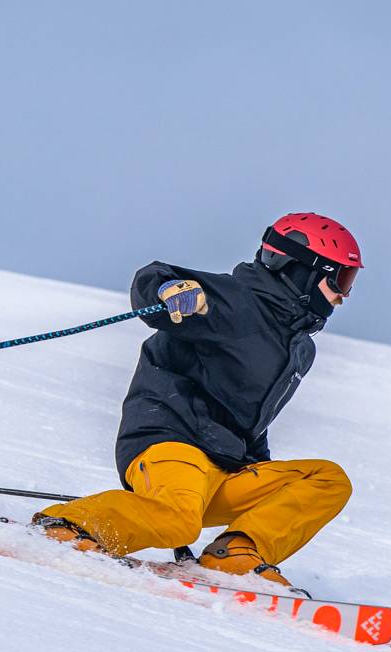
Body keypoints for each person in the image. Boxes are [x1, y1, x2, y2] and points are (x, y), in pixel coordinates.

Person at [31, 213, 363, 588]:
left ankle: (235, 554)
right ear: (301, 270)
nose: (343, 296)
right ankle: (65, 526)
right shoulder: (232, 301)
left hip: (224, 467)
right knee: (178, 519)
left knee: (328, 480)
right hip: (172, 442)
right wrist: (170, 291)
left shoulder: (298, 348)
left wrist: (258, 469)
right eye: (340, 279)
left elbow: (253, 421)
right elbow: (154, 277)